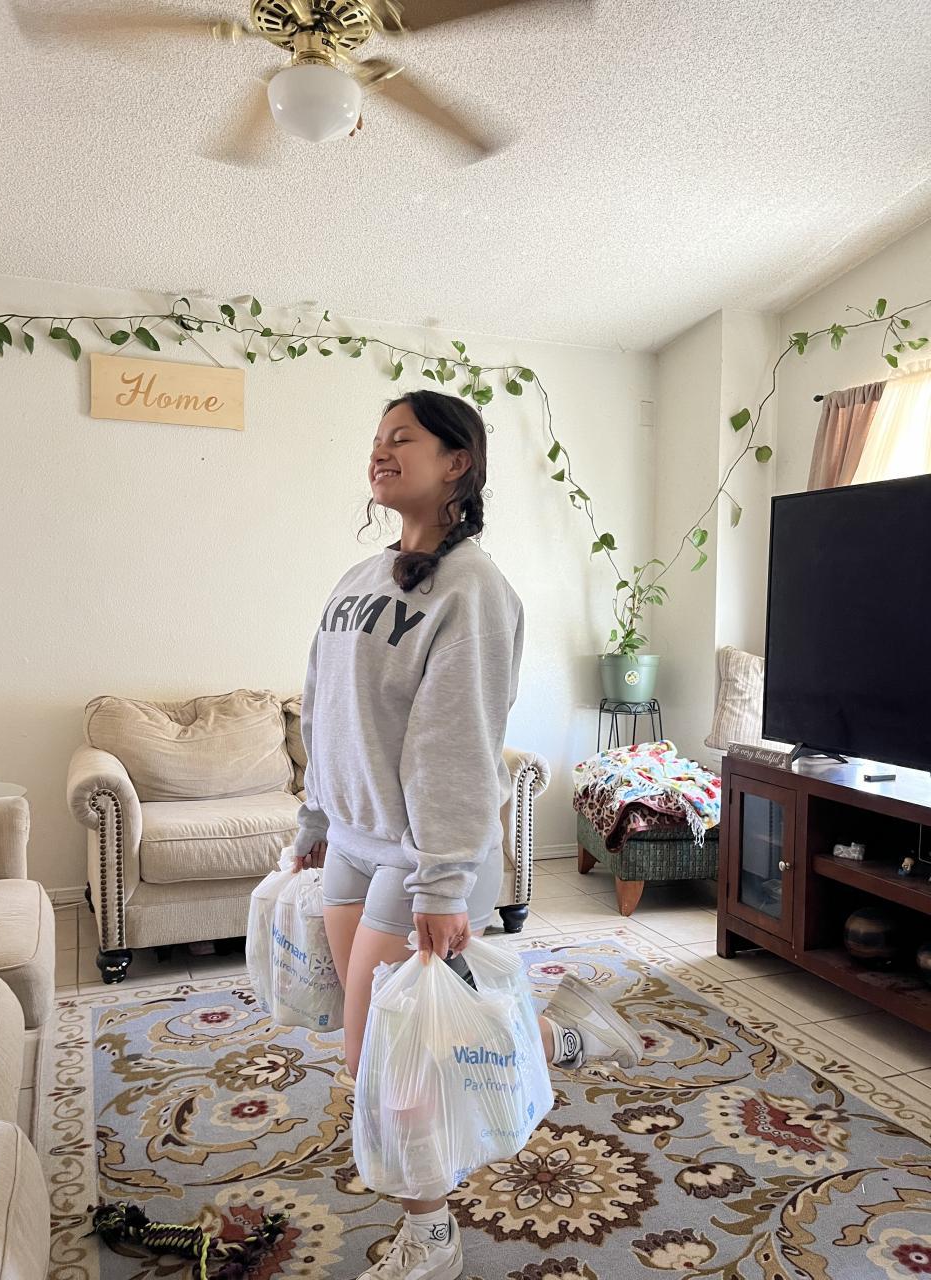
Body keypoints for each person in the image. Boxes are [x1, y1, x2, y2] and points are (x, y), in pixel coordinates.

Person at [291, 388, 643, 1280]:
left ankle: (432, 1235)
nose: (380, 451)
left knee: (386, 1061)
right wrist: (316, 817)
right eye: (376, 438)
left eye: (402, 438)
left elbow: (455, 742)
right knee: (397, 1041)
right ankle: (562, 1037)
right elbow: (323, 706)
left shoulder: (475, 590)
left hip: (424, 855)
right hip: (357, 842)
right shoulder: (359, 579)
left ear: (458, 463)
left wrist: (444, 884)